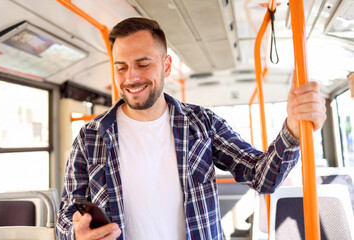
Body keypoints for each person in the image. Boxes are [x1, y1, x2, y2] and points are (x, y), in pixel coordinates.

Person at [56, 17, 326, 240]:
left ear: (166, 65)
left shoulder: (201, 124)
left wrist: (292, 128)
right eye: (121, 67)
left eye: (143, 64)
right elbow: (66, 216)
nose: (131, 77)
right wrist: (76, 234)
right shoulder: (90, 137)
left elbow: (262, 177)